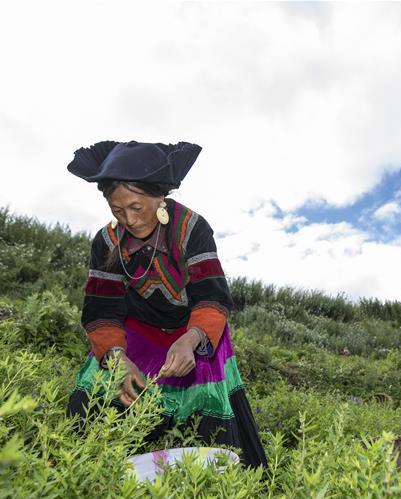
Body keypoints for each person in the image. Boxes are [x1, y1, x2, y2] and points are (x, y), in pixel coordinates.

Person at [65, 140, 267, 468]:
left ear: (160, 197)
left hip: (195, 332)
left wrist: (189, 341)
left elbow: (212, 298)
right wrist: (118, 361)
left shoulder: (192, 229)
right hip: (137, 334)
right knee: (99, 406)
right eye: (117, 210)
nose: (128, 219)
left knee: (205, 434)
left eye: (136, 207)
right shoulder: (106, 241)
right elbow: (102, 310)